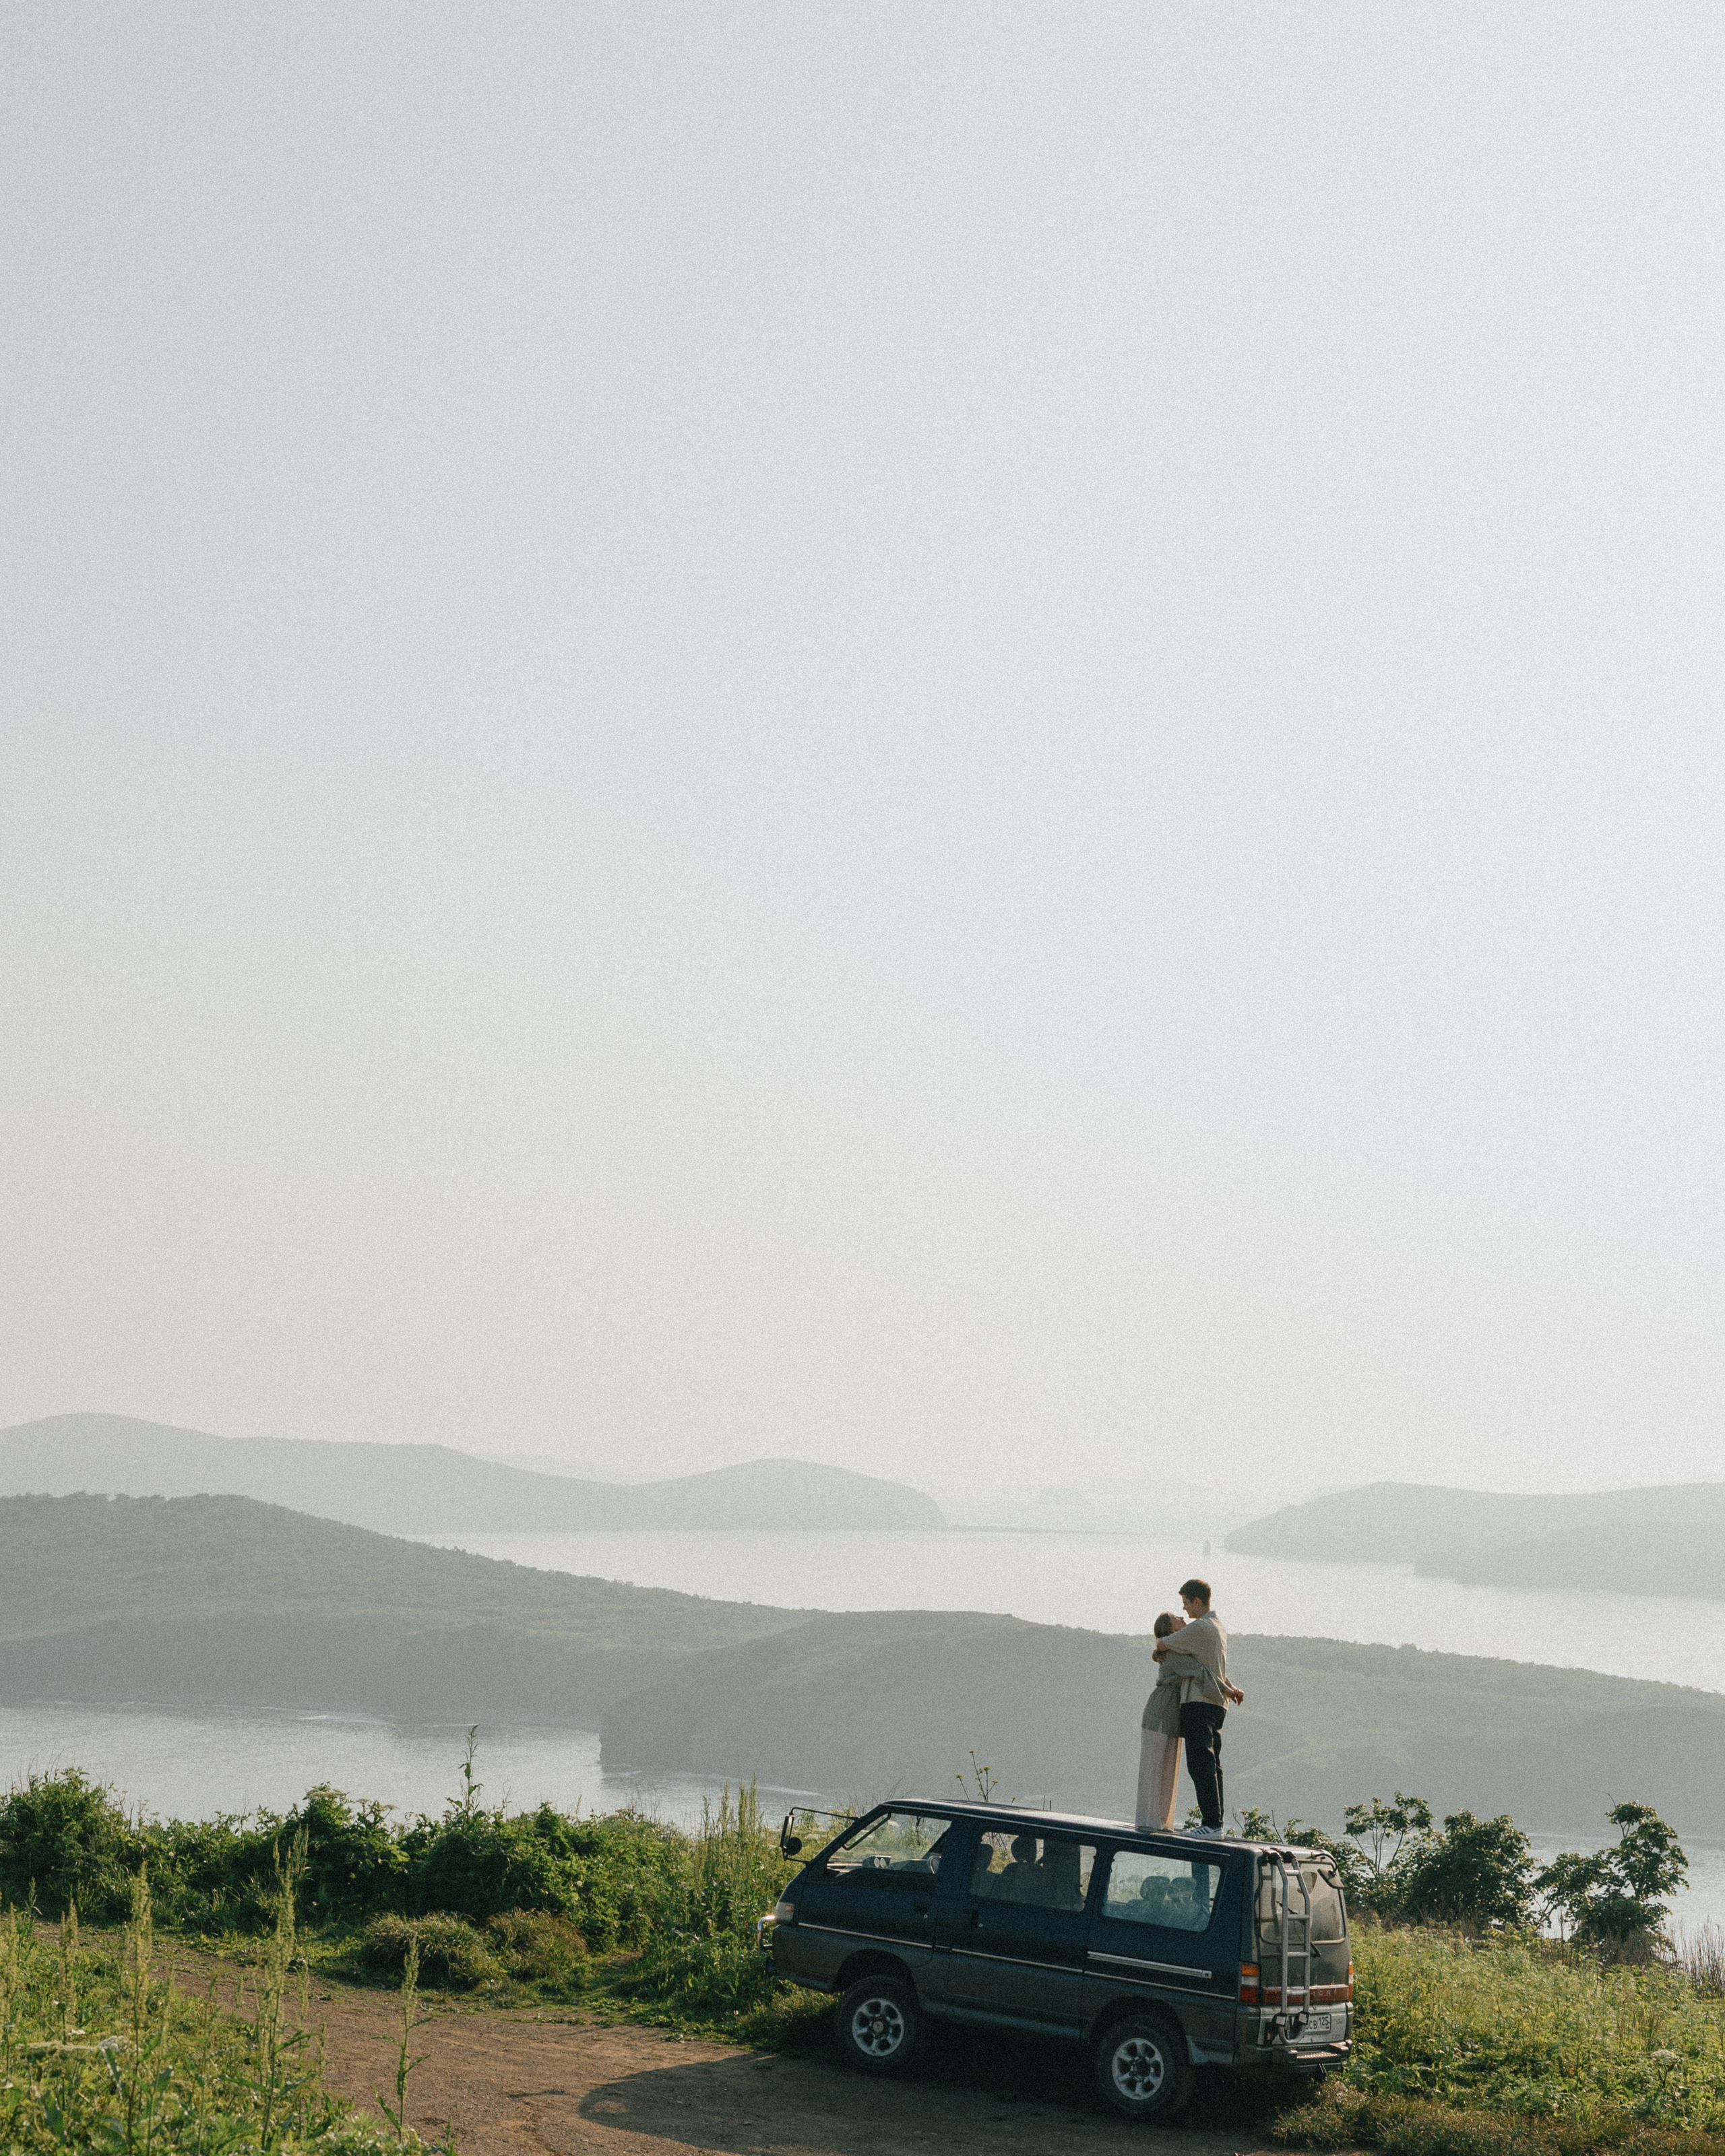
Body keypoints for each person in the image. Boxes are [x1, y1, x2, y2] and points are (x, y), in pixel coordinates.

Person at [1150, 1577, 1242, 1837]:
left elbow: (1164, 1642)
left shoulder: (1200, 1628)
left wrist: (1163, 1645)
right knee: (1213, 1765)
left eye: (1186, 1604)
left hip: (1198, 1702)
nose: (1185, 1612)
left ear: (1197, 1601)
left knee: (1200, 1764)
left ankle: (1211, 1824)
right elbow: (1211, 1666)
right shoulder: (1218, 1627)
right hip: (1216, 1704)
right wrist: (1230, 1689)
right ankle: (1217, 1822)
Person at [1137, 1611, 1203, 1831]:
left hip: (1169, 1714)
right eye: (1177, 1618)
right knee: (1156, 1766)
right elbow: (1199, 1671)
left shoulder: (1176, 1648)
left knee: (1164, 1768)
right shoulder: (1175, 1652)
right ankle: (1152, 1821)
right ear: (1171, 1629)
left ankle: (1158, 1820)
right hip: (1162, 1712)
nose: (1183, 1618)